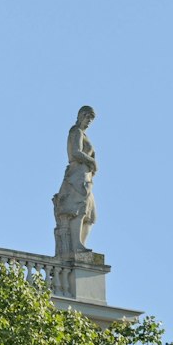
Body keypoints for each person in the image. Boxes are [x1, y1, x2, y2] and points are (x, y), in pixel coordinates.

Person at [51, 106, 97, 258]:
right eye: (87, 117)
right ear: (80, 116)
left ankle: (81, 243)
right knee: (79, 208)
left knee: (91, 215)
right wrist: (92, 161)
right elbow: (76, 152)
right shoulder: (75, 131)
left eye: (91, 118)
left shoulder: (83, 134)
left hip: (85, 176)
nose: (89, 121)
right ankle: (77, 245)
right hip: (77, 175)